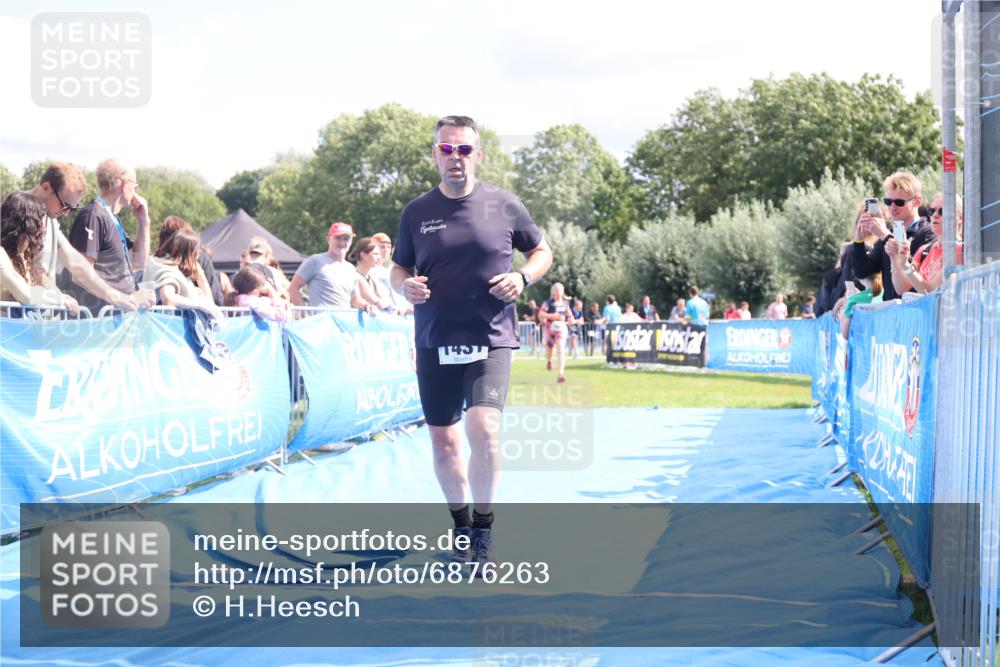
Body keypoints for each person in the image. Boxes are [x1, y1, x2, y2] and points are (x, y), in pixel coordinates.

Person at [390, 115, 553, 568]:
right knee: (444, 443)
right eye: (447, 149)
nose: (455, 157)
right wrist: (403, 287)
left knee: (483, 428)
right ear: (434, 155)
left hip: (490, 337)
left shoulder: (504, 204)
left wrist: (523, 277)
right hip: (434, 340)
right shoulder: (415, 212)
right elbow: (398, 268)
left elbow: (543, 251)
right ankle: (460, 527)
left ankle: (483, 529)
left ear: (478, 154)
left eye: (464, 149)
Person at [67, 158, 150, 314]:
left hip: (116, 320)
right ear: (124, 184)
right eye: (135, 186)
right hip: (97, 321)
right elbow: (80, 276)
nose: (135, 192)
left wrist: (143, 221)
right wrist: (121, 298)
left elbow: (139, 262)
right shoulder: (93, 216)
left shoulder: (111, 218)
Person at [852, 171, 935, 302]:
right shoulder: (888, 234)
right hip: (892, 315)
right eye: (888, 201)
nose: (892, 207)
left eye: (899, 202)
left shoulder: (929, 232)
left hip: (915, 312)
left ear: (917, 201)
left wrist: (885, 235)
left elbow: (915, 274)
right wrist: (858, 238)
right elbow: (862, 271)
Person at [0, 192, 78, 313]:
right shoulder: (1, 254)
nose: (43, 226)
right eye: (40, 219)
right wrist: (60, 299)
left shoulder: (30, 259)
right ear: (26, 223)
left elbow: (54, 292)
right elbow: (26, 295)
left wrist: (64, 298)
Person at [288, 222, 381, 309]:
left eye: (346, 238)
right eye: (338, 238)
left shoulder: (350, 268)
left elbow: (355, 299)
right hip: (320, 323)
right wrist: (305, 315)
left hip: (342, 323)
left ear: (351, 241)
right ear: (328, 239)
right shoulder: (315, 261)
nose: (342, 242)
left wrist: (367, 306)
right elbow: (293, 287)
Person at [889, 193, 964, 296]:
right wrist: (895, 258)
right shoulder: (924, 250)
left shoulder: (961, 250)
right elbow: (901, 289)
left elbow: (931, 291)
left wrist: (906, 265)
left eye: (942, 211)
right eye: (932, 211)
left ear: (960, 218)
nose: (935, 215)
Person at [144, 228, 223, 321]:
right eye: (197, 249)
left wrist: (200, 275)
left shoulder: (179, 272)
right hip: (169, 330)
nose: (199, 254)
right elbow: (168, 298)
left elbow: (210, 304)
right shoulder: (167, 268)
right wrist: (200, 305)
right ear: (190, 251)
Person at [159, 215, 225, 306]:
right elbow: (216, 300)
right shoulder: (197, 257)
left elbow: (216, 299)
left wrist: (200, 275)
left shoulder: (158, 261)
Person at [371, 232, 412, 315]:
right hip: (385, 313)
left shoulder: (392, 270)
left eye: (388, 247)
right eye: (382, 247)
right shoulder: (370, 271)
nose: (386, 250)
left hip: (400, 313)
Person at [539, 282, 574, 382]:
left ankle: (561, 374)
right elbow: (541, 314)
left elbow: (570, 315)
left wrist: (571, 319)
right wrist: (551, 316)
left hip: (561, 329)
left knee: (560, 350)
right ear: (553, 292)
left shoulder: (565, 304)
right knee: (549, 349)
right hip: (549, 329)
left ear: (563, 292)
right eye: (556, 290)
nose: (558, 292)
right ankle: (549, 361)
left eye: (560, 290)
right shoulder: (548, 303)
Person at [352, 236, 396, 312]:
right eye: (375, 254)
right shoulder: (356, 276)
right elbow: (377, 302)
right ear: (363, 255)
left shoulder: (372, 277)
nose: (379, 257)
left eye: (379, 254)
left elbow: (383, 299)